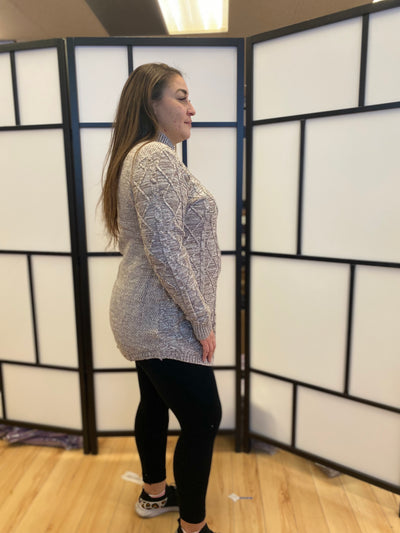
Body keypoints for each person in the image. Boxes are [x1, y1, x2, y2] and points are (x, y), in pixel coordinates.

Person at [100, 63, 222, 533]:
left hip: (146, 313)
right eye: (181, 97)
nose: (192, 108)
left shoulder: (141, 155)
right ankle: (193, 529)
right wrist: (201, 320)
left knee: (153, 402)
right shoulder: (154, 157)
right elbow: (166, 252)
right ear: (151, 105)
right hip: (161, 319)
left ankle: (154, 495)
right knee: (204, 417)